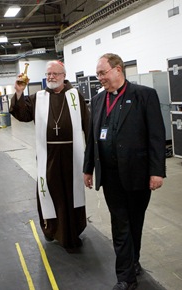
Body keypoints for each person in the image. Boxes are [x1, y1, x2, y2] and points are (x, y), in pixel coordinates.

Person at [83, 53, 166, 290]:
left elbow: (156, 137)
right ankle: (125, 278)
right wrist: (88, 169)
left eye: (103, 73)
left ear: (118, 70)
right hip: (110, 177)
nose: (100, 78)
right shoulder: (98, 101)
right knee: (120, 224)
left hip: (138, 174)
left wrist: (156, 171)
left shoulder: (143, 95)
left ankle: (133, 261)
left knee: (135, 222)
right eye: (98, 74)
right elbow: (92, 139)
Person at [10, 60, 90, 252]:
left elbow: (88, 124)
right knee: (49, 192)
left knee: (71, 194)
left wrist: (90, 157)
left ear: (64, 75)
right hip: (49, 157)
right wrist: (19, 92)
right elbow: (22, 114)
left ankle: (72, 231)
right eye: (48, 75)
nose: (51, 77)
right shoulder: (38, 97)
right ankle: (53, 229)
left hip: (72, 155)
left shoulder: (74, 96)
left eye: (55, 74)